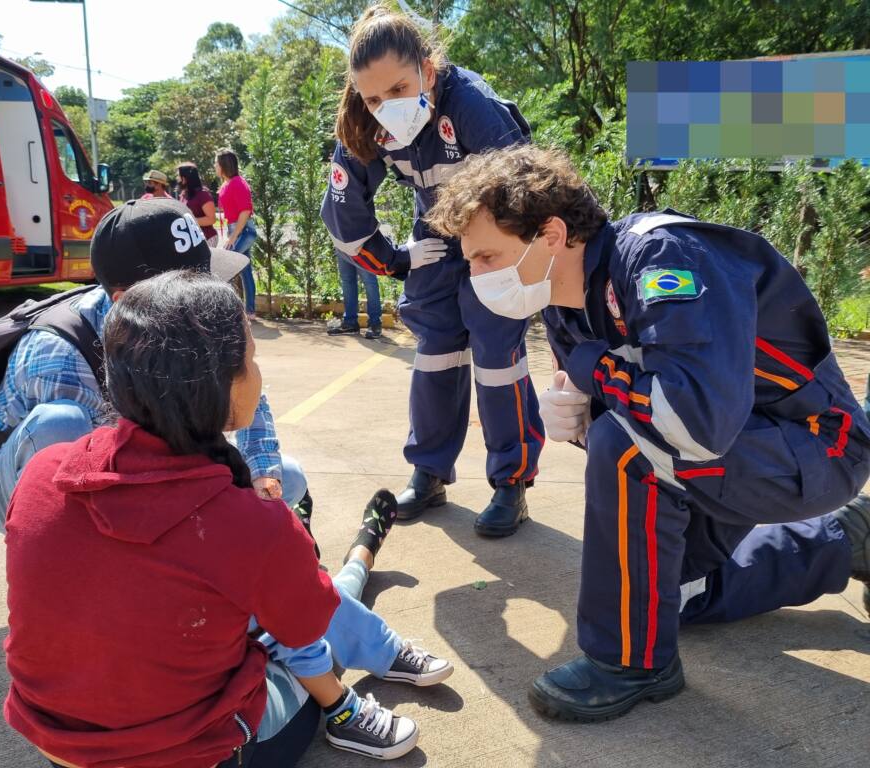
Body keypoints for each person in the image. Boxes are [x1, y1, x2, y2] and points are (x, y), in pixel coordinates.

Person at [425, 143, 870, 722]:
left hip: (818, 443)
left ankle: (632, 662)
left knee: (623, 448)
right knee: (673, 597)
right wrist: (581, 418)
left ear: (551, 235)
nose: (476, 275)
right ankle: (848, 538)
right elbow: (635, 413)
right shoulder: (565, 303)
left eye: (487, 257)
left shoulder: (661, 256)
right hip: (741, 452)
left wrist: (594, 376)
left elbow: (692, 423)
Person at [5, 271, 452, 767]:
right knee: (319, 614)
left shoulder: (44, 471)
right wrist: (340, 704)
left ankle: (337, 557)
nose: (259, 373)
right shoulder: (249, 522)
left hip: (57, 745)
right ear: (220, 384)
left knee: (269, 598)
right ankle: (362, 572)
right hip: (193, 753)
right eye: (253, 357)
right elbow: (305, 636)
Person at [320, 3, 543, 537]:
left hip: (494, 235)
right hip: (436, 237)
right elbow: (344, 214)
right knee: (436, 353)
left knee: (495, 354)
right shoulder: (365, 124)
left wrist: (511, 259)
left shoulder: (469, 104)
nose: (386, 107)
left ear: (427, 68)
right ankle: (430, 471)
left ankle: (510, 483)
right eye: (373, 97)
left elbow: (525, 183)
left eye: (398, 90)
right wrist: (396, 261)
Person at [0, 199, 304, 535]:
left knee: (286, 479)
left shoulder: (184, 321)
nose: (208, 296)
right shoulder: (62, 355)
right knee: (60, 423)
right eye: (189, 289)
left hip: (145, 465)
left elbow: (243, 388)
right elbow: (92, 471)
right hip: (31, 484)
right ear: (126, 300)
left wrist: (262, 472)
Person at [215, 149, 258, 320]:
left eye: (216, 163)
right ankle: (250, 312)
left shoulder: (238, 183)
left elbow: (245, 211)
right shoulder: (228, 184)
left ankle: (227, 311)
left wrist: (233, 237)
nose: (215, 166)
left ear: (224, 165)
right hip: (238, 231)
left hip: (244, 232)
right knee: (245, 271)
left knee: (227, 267)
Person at [328, 248, 384, 339]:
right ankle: (350, 323)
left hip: (362, 244)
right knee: (347, 281)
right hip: (342, 245)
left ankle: (375, 324)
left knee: (369, 281)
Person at [178, 162, 219, 246]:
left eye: (179, 176)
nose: (177, 179)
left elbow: (211, 219)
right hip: (193, 241)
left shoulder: (203, 194)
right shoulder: (184, 195)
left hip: (207, 239)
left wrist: (189, 221)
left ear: (185, 178)